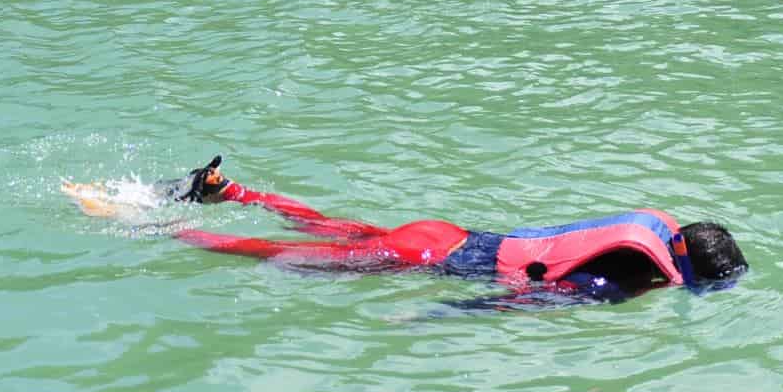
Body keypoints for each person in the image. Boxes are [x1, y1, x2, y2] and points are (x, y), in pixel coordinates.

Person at [67, 156, 748, 304]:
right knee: (277, 256)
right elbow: (521, 300)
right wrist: (442, 316)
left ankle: (234, 190)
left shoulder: (651, 228)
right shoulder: (620, 279)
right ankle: (148, 227)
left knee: (332, 225)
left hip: (445, 231)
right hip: (427, 258)